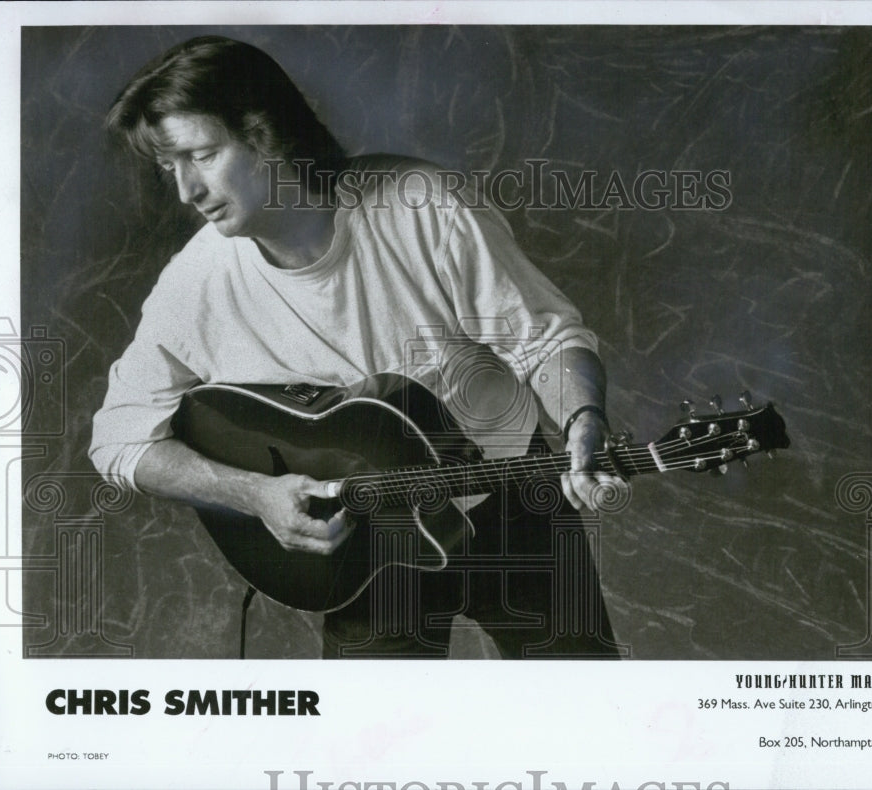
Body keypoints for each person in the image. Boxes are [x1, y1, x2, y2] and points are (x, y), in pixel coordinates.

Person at [90, 35, 627, 659]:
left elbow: (547, 342)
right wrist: (255, 494)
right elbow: (119, 439)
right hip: (368, 548)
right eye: (168, 166)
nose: (185, 190)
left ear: (266, 133)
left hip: (512, 498)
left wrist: (583, 418)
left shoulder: (419, 207)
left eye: (202, 155)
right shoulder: (195, 285)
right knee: (368, 747)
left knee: (582, 710)